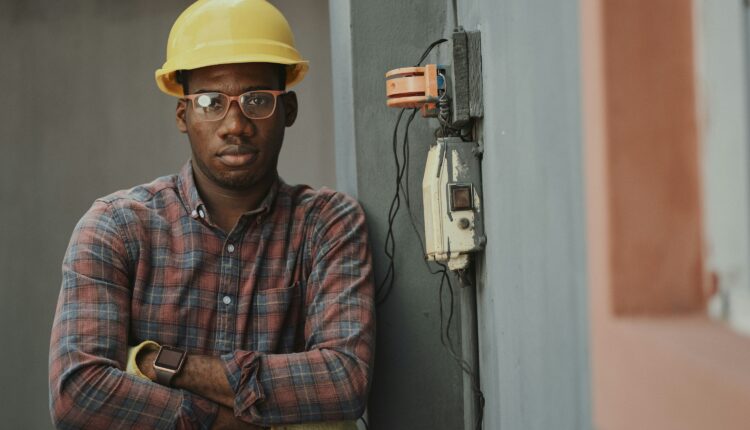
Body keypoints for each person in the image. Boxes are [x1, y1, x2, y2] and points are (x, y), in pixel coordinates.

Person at [48, 1, 375, 429]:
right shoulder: (117, 228)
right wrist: (215, 420)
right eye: (209, 101)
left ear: (288, 110)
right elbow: (78, 393)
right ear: (184, 115)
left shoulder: (327, 225)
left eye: (257, 100)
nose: (235, 124)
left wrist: (164, 365)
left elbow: (343, 380)